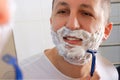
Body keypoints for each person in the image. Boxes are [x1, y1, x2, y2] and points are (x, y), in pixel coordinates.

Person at [20, 0, 119, 80]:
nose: (71, 25)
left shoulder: (110, 73)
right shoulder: (20, 75)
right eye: (62, 11)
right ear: (51, 22)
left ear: (106, 31)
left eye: (86, 13)